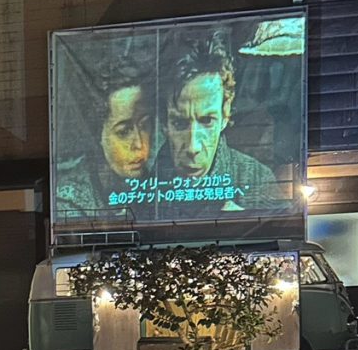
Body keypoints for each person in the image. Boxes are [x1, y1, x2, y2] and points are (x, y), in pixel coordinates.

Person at [156, 30, 279, 212]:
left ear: (225, 113)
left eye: (207, 121)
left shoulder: (257, 180)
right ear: (163, 123)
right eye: (180, 124)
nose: (193, 147)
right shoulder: (142, 184)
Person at [53, 55, 156, 220]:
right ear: (98, 134)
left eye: (144, 126)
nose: (139, 143)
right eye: (124, 132)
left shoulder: (162, 182)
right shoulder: (68, 200)